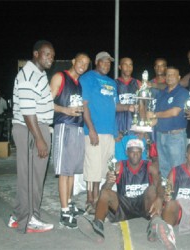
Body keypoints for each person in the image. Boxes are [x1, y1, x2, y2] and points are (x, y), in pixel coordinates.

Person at [8, 40, 55, 233]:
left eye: (52, 56)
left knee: (32, 177)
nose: (50, 59)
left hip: (36, 128)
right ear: (36, 54)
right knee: (31, 178)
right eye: (47, 55)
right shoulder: (28, 76)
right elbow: (28, 112)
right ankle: (30, 220)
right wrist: (39, 139)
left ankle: (18, 215)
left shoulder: (39, 74)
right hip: (31, 129)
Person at [77, 139, 164, 243]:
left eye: (138, 152)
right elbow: (105, 190)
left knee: (153, 189)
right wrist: (108, 181)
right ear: (127, 153)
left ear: (142, 153)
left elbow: (160, 185)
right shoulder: (119, 166)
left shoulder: (150, 166)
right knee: (105, 193)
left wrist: (159, 198)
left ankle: (155, 226)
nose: (135, 155)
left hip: (144, 206)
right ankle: (97, 226)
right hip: (124, 206)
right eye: (132, 151)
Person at [50, 52, 91, 229]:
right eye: (80, 61)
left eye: (86, 63)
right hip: (64, 127)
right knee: (64, 171)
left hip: (77, 128)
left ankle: (69, 203)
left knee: (73, 171)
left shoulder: (78, 85)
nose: (83, 65)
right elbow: (46, 102)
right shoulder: (60, 77)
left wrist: (80, 109)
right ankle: (64, 211)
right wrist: (66, 111)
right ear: (73, 61)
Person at [80, 51, 118, 214]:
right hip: (94, 131)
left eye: (109, 63)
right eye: (104, 62)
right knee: (93, 167)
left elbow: (114, 107)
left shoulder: (112, 83)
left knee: (104, 167)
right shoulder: (87, 78)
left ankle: (99, 197)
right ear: (96, 62)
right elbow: (84, 105)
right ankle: (91, 199)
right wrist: (91, 130)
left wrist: (115, 131)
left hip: (109, 132)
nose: (107, 65)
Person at [146, 66, 189, 179]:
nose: (169, 77)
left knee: (177, 169)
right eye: (167, 75)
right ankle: (167, 194)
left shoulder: (182, 92)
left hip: (175, 136)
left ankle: (177, 195)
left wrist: (155, 115)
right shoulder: (162, 93)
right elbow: (156, 114)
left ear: (179, 77)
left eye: (172, 74)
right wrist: (146, 124)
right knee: (164, 170)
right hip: (161, 136)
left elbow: (175, 112)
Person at [114, 57, 147, 161]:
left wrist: (142, 129)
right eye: (125, 64)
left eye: (130, 65)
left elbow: (143, 107)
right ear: (119, 66)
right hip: (119, 131)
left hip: (135, 131)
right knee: (120, 163)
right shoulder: (113, 84)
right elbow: (109, 108)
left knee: (139, 163)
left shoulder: (138, 84)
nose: (128, 67)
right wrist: (114, 131)